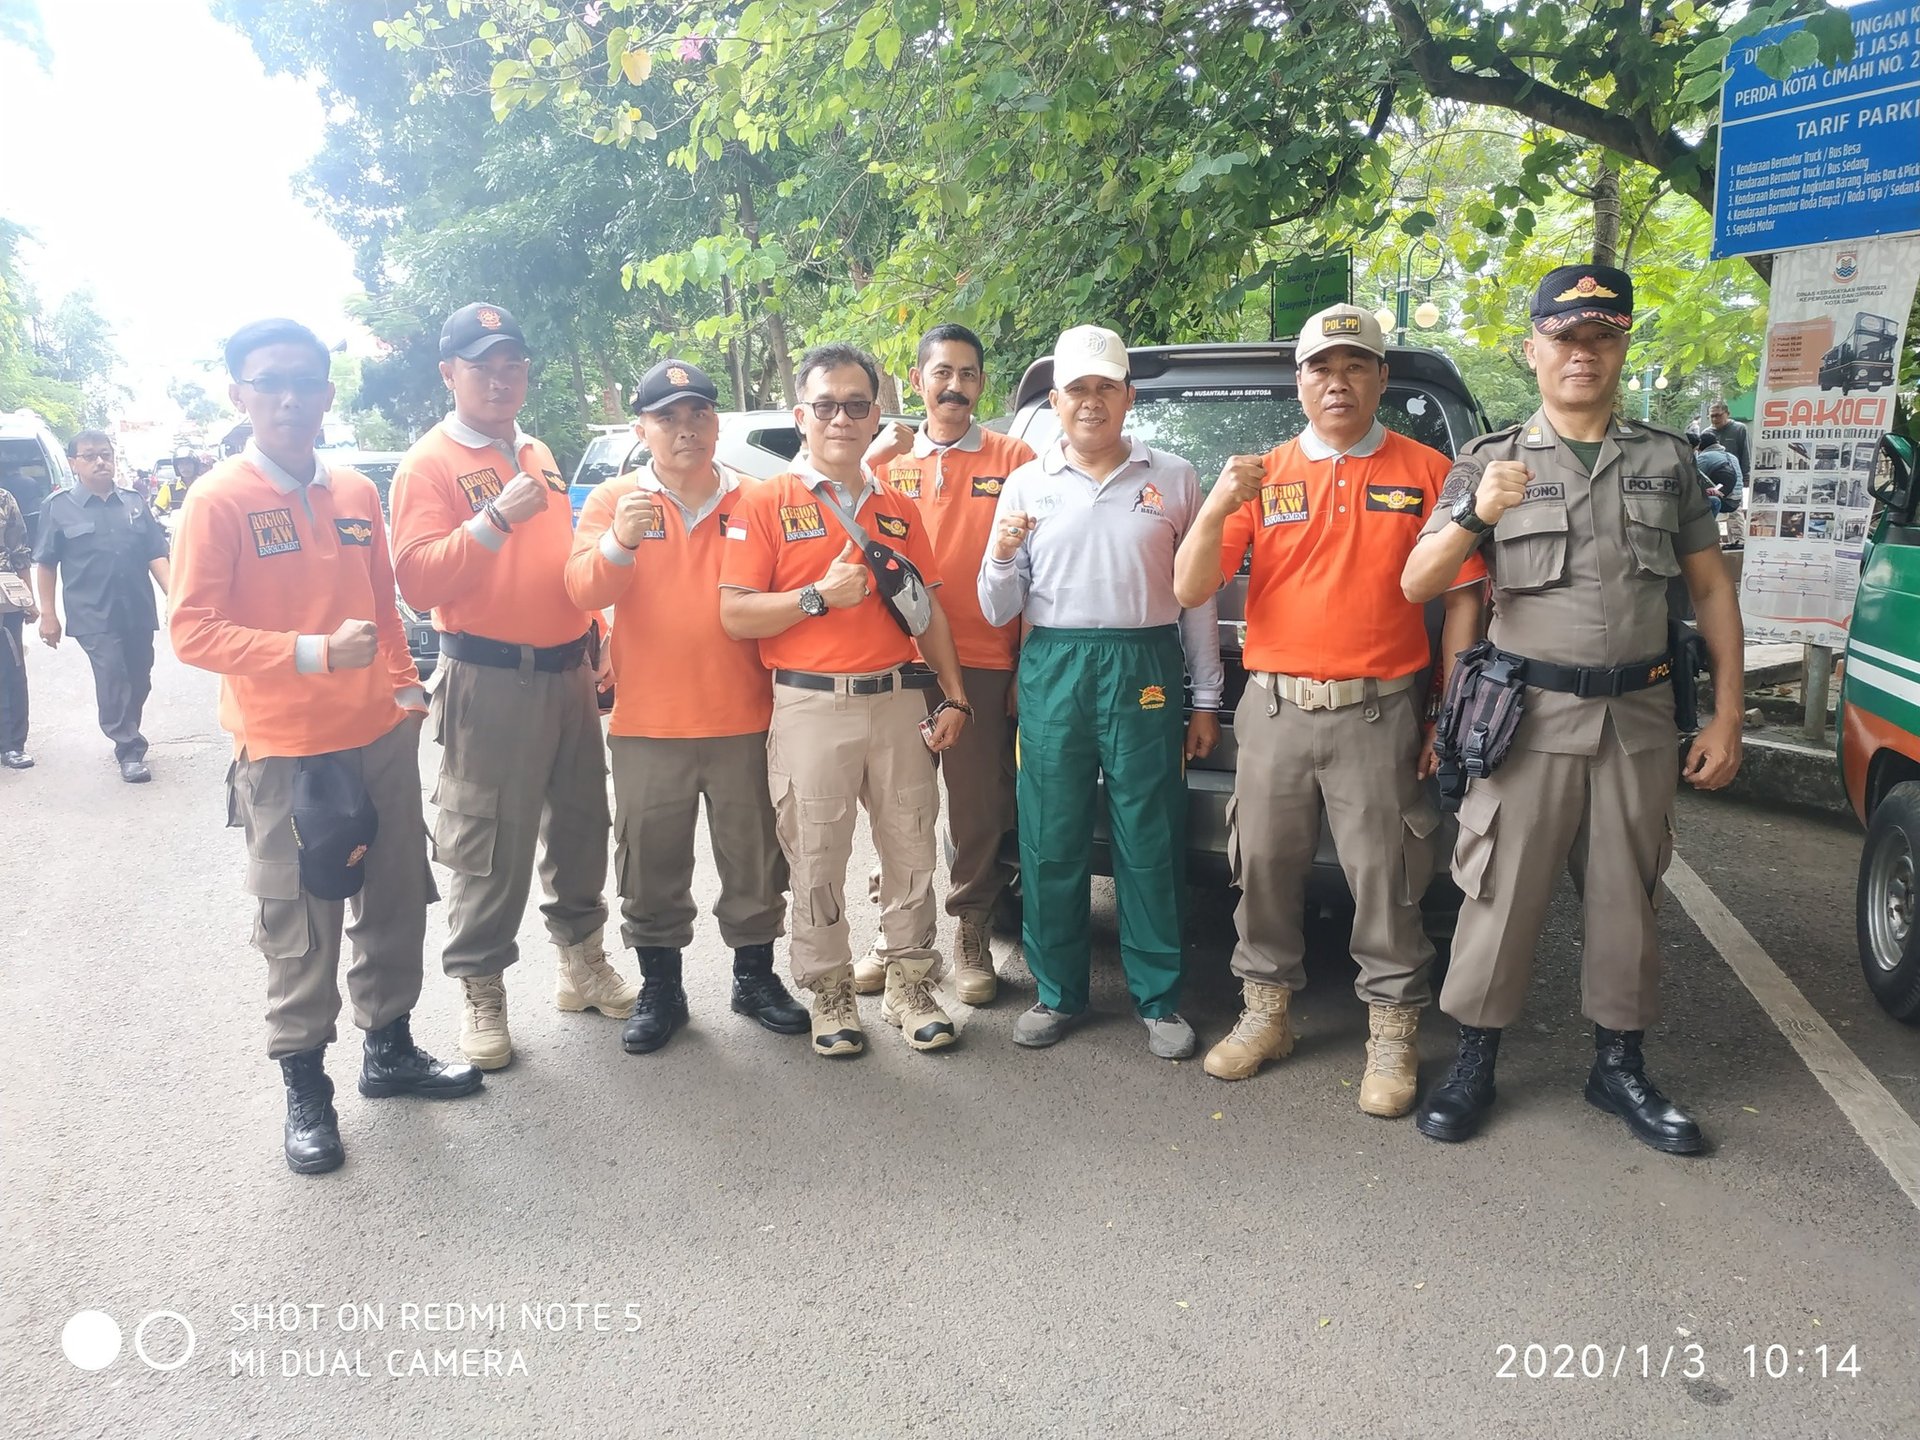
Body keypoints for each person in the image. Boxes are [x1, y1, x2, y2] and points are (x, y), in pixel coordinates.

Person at [1401, 265, 1745, 1154]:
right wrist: (1477, 516)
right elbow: (1419, 582)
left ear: (1622, 344)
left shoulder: (1668, 461)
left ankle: (1618, 1067)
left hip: (1638, 719)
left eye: (1600, 336)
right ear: (1534, 349)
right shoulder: (1489, 460)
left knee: (1628, 899)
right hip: (1530, 722)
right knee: (1499, 896)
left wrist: (1727, 715)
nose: (1581, 352)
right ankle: (1475, 1061)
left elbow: (1710, 591)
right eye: (1564, 336)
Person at [171, 317, 481, 1176]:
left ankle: (390, 1052)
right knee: (300, 926)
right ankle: (307, 1089)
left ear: (327, 393)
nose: (289, 397)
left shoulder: (351, 492)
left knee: (391, 901)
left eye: (305, 380)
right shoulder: (219, 499)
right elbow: (191, 631)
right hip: (285, 752)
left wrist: (402, 682)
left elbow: (383, 607)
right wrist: (306, 654)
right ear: (239, 395)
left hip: (378, 737)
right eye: (269, 382)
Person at [1172, 304, 1486, 1115]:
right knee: (1263, 870)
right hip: (1273, 710)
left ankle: (1392, 1032)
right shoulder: (1261, 473)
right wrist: (1215, 504)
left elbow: (1460, 600)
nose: (1337, 381)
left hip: (1380, 713)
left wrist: (1445, 711)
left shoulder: (1426, 472)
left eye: (1355, 365)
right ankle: (1264, 1014)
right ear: (1300, 381)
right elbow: (1190, 588)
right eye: (1322, 366)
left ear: (1381, 378)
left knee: (1388, 877)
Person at [388, 301, 633, 1070]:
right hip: (488, 676)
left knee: (582, 826)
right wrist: (493, 518)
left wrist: (597, 639)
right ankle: (482, 991)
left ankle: (581, 961)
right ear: (448, 373)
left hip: (566, 670)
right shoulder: (428, 462)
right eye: (482, 364)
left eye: (513, 364)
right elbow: (415, 575)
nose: (500, 378)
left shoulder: (537, 449)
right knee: (485, 840)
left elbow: (561, 559)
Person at [719, 343, 975, 1058]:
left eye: (856, 405)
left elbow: (928, 611)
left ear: (874, 417)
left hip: (897, 701)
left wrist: (955, 696)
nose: (841, 417)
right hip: (811, 706)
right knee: (818, 856)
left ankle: (910, 984)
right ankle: (830, 991)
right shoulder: (764, 503)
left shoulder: (897, 508)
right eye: (826, 405)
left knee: (910, 844)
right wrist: (815, 598)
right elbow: (735, 614)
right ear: (801, 415)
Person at [979, 325, 1225, 1060]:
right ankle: (1057, 991)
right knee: (1050, 832)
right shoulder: (1026, 482)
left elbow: (1199, 596)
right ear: (1055, 401)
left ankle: (1158, 997)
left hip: (1143, 661)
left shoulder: (1174, 475)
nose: (1091, 402)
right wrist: (998, 556)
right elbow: (997, 607)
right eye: (1077, 390)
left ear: (1128, 396)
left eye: (1105, 388)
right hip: (1054, 661)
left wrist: (1205, 698)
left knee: (1148, 831)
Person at [565, 358, 806, 1053]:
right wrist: (621, 541)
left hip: (746, 716)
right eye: (666, 416)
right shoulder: (616, 500)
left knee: (757, 860)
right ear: (641, 428)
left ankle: (754, 978)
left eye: (697, 412)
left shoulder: (757, 498)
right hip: (649, 723)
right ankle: (662, 990)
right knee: (649, 862)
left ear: (716, 422)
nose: (684, 428)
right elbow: (581, 590)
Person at [860, 323, 1037, 1004]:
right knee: (896, 806)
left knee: (978, 807)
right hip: (899, 663)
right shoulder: (887, 462)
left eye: (967, 373)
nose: (954, 386)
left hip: (985, 659)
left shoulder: (1015, 457)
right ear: (916, 380)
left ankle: (971, 931)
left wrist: (1024, 660)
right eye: (941, 373)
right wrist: (875, 456)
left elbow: (1036, 570)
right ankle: (896, 937)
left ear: (981, 384)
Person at [32, 431, 172, 782]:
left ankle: (127, 731)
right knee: (113, 674)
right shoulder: (58, 506)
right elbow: (46, 563)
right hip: (91, 611)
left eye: (106, 455)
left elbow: (156, 553)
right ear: (73, 463)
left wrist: (177, 597)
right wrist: (48, 614)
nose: (100, 462)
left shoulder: (134, 502)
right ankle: (129, 748)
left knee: (140, 676)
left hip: (137, 607)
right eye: (90, 455)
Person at [0, 484, 32, 769]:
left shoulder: (3, 498)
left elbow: (19, 551)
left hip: (3, 598)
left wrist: (29, 599)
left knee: (9, 668)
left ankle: (11, 744)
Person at [1708, 401, 1750, 547]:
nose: (1714, 420)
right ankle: (1714, 542)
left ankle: (1738, 541)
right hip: (1713, 478)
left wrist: (1746, 476)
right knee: (1713, 508)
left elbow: (1745, 453)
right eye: (1711, 416)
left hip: (1735, 477)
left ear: (1727, 414)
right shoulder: (1707, 432)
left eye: (1718, 416)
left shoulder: (1739, 429)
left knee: (1735, 509)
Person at [1689, 430, 1742, 519]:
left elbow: (1692, 479)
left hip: (1723, 501)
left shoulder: (1705, 457)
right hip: (1736, 501)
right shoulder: (1732, 456)